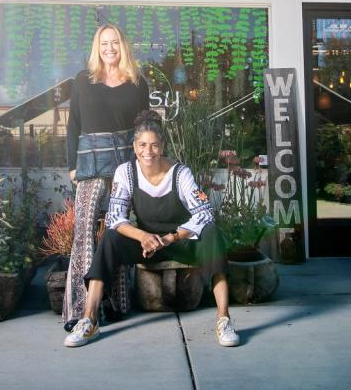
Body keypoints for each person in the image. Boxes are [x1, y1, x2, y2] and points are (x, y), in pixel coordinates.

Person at [64, 109, 239, 348]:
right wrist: (143, 236)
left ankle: (224, 319)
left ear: (162, 146)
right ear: (134, 147)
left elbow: (204, 212)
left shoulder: (180, 173)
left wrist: (170, 238)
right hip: (147, 244)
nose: (149, 152)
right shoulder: (125, 172)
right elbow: (116, 217)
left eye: (154, 145)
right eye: (143, 145)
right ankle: (89, 320)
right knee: (110, 238)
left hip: (180, 242)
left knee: (211, 234)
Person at [63, 23, 150, 331]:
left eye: (114, 42)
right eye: (104, 43)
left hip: (124, 164)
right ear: (96, 47)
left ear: (122, 46)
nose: (109, 48)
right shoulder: (82, 81)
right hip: (90, 162)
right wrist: (72, 165)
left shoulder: (137, 82)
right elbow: (73, 124)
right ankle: (79, 310)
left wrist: (144, 166)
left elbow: (145, 127)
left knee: (117, 230)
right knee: (84, 230)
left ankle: (116, 304)